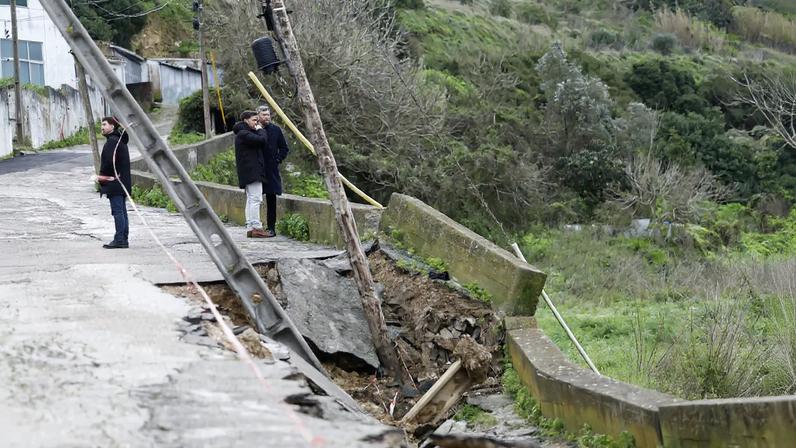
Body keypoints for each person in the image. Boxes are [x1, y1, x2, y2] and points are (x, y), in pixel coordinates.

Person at [233, 110, 270, 238]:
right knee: (255, 199)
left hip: (248, 171)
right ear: (246, 120)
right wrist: (261, 129)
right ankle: (256, 226)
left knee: (250, 199)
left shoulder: (242, 133)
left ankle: (250, 226)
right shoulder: (244, 134)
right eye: (254, 120)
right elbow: (262, 140)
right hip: (252, 171)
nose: (256, 123)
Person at [98, 117, 131, 249]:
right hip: (122, 182)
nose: (102, 127)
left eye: (104, 124)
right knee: (122, 211)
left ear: (112, 126)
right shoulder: (120, 141)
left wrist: (102, 178)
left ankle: (120, 239)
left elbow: (109, 163)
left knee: (117, 211)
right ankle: (123, 238)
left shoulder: (112, 142)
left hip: (115, 182)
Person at [257, 105, 290, 237]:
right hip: (257, 168)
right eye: (264, 115)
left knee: (271, 198)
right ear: (258, 116)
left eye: (268, 115)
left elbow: (284, 148)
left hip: (271, 169)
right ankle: (255, 226)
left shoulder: (276, 130)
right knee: (255, 198)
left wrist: (277, 159)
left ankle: (271, 227)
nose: (267, 117)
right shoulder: (254, 130)